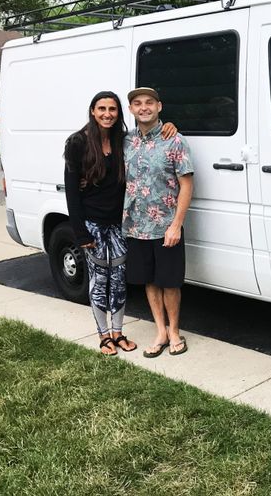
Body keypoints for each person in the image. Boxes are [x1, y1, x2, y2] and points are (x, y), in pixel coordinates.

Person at [63, 90, 176, 356]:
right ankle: (104, 337)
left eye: (112, 109)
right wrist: (80, 232)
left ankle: (118, 332)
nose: (107, 114)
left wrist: (170, 125)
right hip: (92, 225)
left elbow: (152, 136)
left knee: (119, 280)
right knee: (99, 280)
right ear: (93, 111)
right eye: (101, 108)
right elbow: (71, 191)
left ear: (119, 113)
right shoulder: (78, 142)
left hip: (120, 224)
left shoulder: (122, 140)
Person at [123, 87, 194, 358]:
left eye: (149, 103)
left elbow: (186, 185)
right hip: (136, 226)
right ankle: (161, 332)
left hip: (166, 226)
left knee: (169, 282)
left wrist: (176, 224)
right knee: (149, 281)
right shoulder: (126, 141)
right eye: (138, 103)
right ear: (131, 110)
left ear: (159, 106)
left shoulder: (175, 140)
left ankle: (175, 332)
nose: (144, 107)